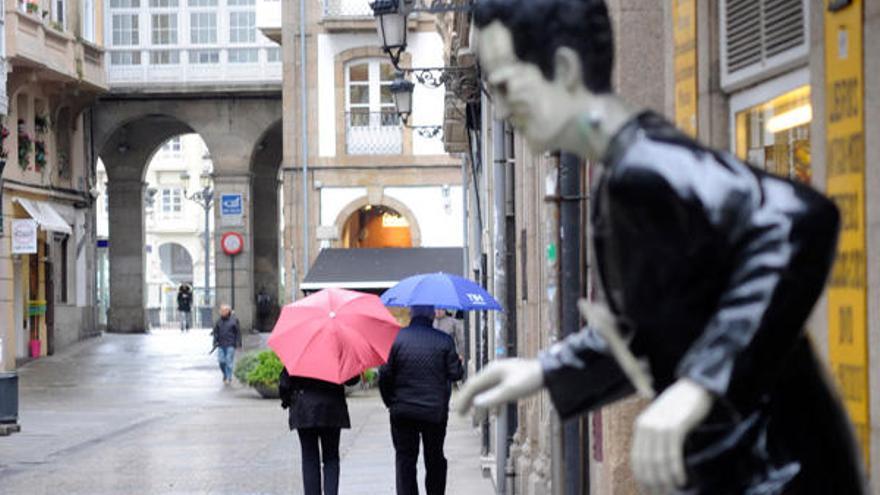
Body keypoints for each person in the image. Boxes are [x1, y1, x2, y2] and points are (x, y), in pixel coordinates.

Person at [456, 1, 866, 494]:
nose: (500, 109)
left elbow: (798, 216)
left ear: (564, 69)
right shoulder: (622, 177)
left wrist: (699, 384)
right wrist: (543, 370)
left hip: (775, 471)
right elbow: (648, 334)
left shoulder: (646, 166)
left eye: (504, 86)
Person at [379, 305, 463, 495]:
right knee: (434, 459)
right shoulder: (444, 341)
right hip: (434, 412)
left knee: (405, 460)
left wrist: (390, 401)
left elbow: (384, 374)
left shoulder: (397, 339)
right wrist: (457, 361)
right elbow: (456, 374)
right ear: (432, 315)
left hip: (403, 411)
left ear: (411, 313)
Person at [279, 369, 359, 495]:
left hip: (304, 408)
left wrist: (287, 401)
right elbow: (352, 379)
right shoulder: (337, 351)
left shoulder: (300, 351)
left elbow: (284, 383)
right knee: (331, 457)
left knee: (309, 457)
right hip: (331, 407)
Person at [212, 304, 241, 385]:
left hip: (230, 344)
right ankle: (225, 374)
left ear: (228, 311)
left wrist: (238, 343)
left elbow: (238, 332)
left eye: (224, 311)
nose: (222, 312)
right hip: (221, 344)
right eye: (221, 311)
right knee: (221, 361)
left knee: (229, 361)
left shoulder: (234, 320)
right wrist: (215, 341)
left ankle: (229, 377)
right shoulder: (219, 321)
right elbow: (216, 332)